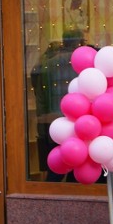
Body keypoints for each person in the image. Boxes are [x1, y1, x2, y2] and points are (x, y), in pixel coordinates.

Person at [30, 29, 85, 181]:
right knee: (77, 161)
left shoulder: (48, 63)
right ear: (78, 42)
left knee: (57, 164)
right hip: (78, 119)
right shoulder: (82, 62)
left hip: (53, 119)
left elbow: (39, 91)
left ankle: (51, 196)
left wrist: (42, 117)